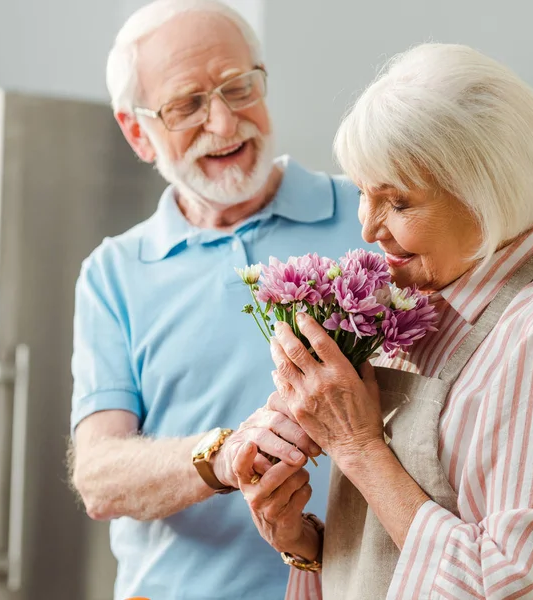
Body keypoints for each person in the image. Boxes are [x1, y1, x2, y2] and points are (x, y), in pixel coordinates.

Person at [236, 43, 533, 599]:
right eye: (362, 193)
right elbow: (396, 549)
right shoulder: (425, 294)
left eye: (398, 203)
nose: (369, 228)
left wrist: (357, 447)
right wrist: (304, 543)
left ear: (485, 196)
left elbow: (513, 588)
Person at [68, 1, 369, 599]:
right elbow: (99, 476)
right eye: (187, 105)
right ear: (138, 131)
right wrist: (222, 456)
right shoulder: (114, 272)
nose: (226, 124)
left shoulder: (369, 216)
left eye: (239, 88)